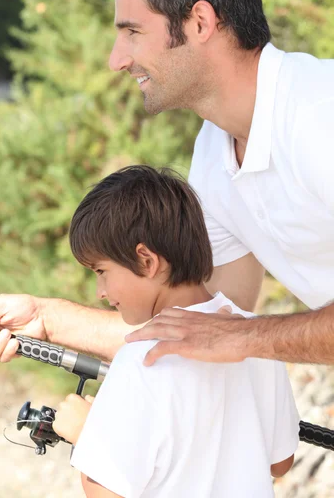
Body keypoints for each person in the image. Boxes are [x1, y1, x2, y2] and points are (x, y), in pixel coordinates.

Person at [0, 0, 334, 368]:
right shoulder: (213, 153)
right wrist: (48, 319)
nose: (116, 59)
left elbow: (227, 334)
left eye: (133, 31)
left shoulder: (320, 111)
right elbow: (192, 328)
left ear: (199, 22)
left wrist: (245, 336)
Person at [51, 165, 299, 498]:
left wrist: (87, 434)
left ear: (146, 261)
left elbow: (106, 493)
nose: (100, 291)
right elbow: (280, 463)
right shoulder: (255, 338)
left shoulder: (143, 358)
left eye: (101, 271)